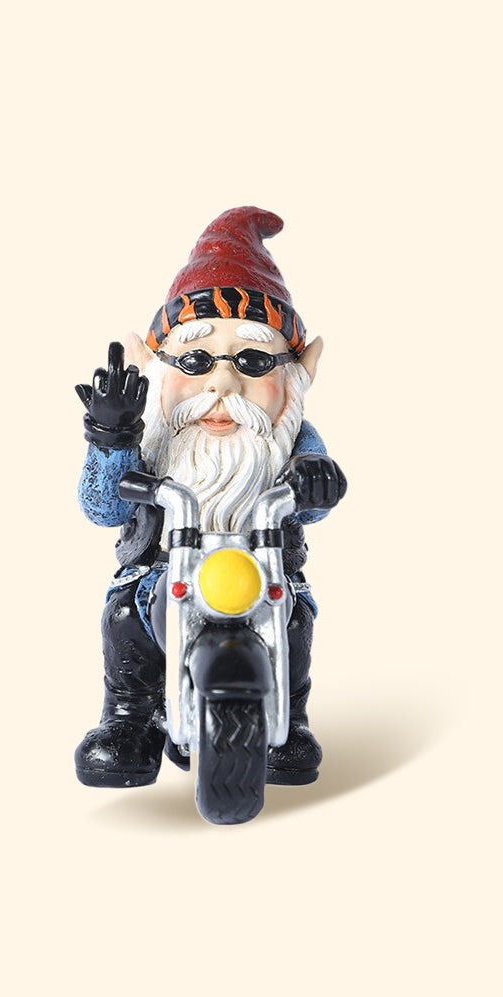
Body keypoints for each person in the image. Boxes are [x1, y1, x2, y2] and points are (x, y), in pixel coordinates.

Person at [73, 207, 346, 788]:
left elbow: (316, 501)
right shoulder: (153, 440)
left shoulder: (291, 439)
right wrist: (111, 440)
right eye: (196, 362)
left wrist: (316, 479)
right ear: (153, 366)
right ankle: (129, 718)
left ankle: (288, 716)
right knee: (127, 615)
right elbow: (103, 507)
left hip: (265, 567)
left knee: (293, 618)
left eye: (253, 361)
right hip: (163, 569)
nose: (222, 384)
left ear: (298, 374)